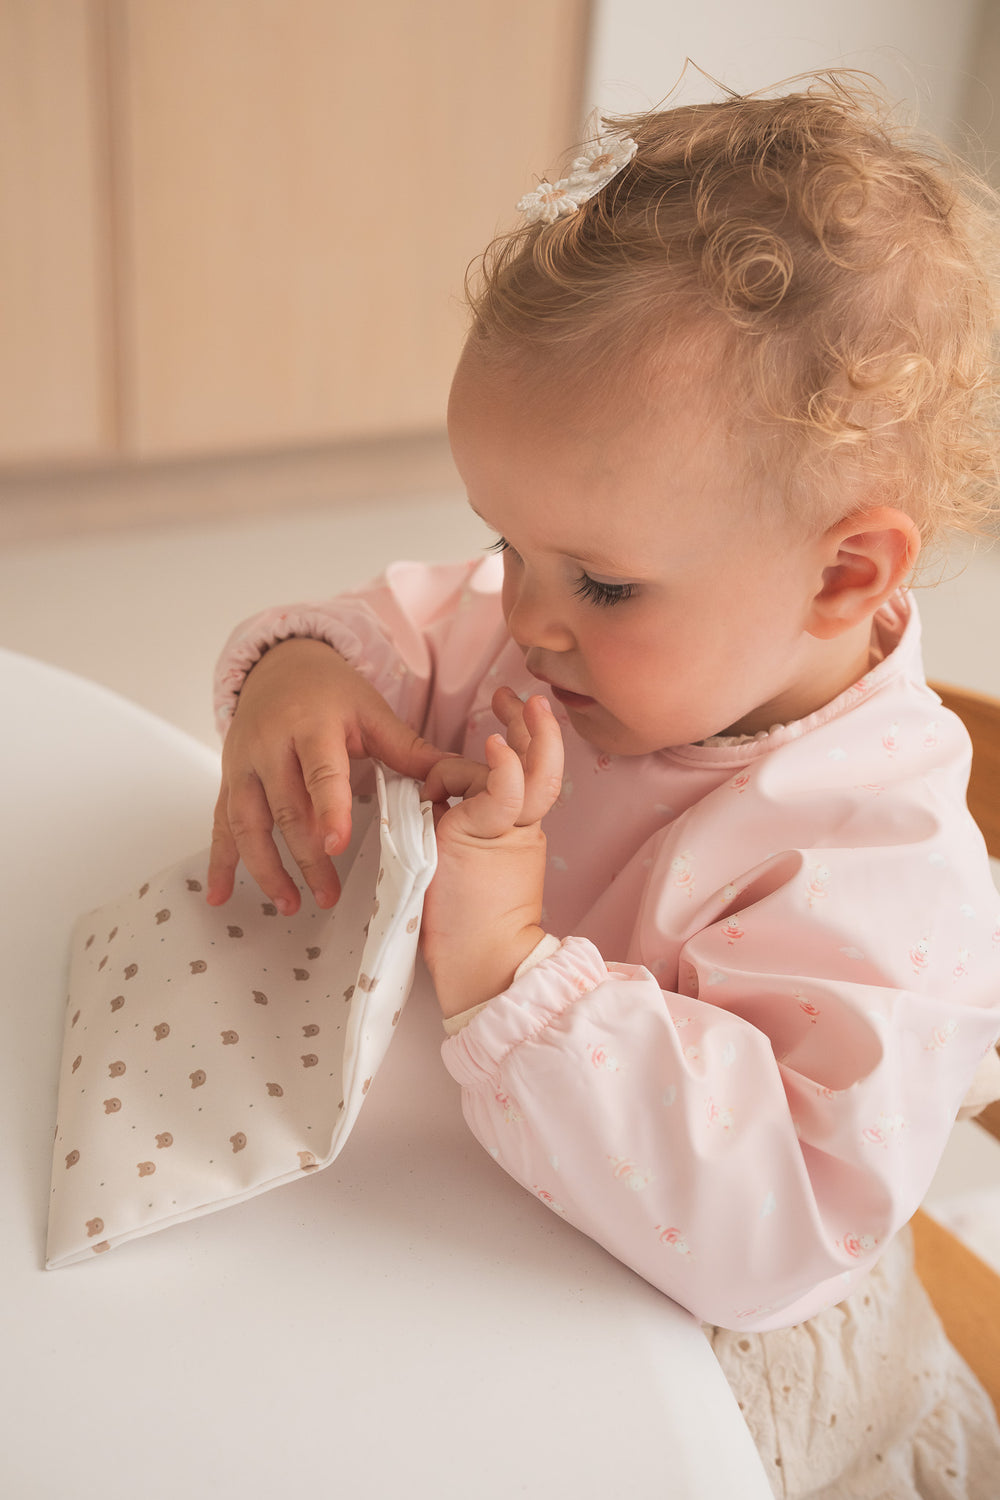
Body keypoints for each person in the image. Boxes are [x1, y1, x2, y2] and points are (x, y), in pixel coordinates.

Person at [207, 76, 1000, 1497]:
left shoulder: (882, 865)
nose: (524, 616)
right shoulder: (555, 634)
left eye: (602, 581)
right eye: (504, 543)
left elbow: (772, 1226)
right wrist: (306, 674)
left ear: (845, 572)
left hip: (714, 1379)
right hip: (458, 1235)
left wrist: (509, 966)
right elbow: (408, 633)